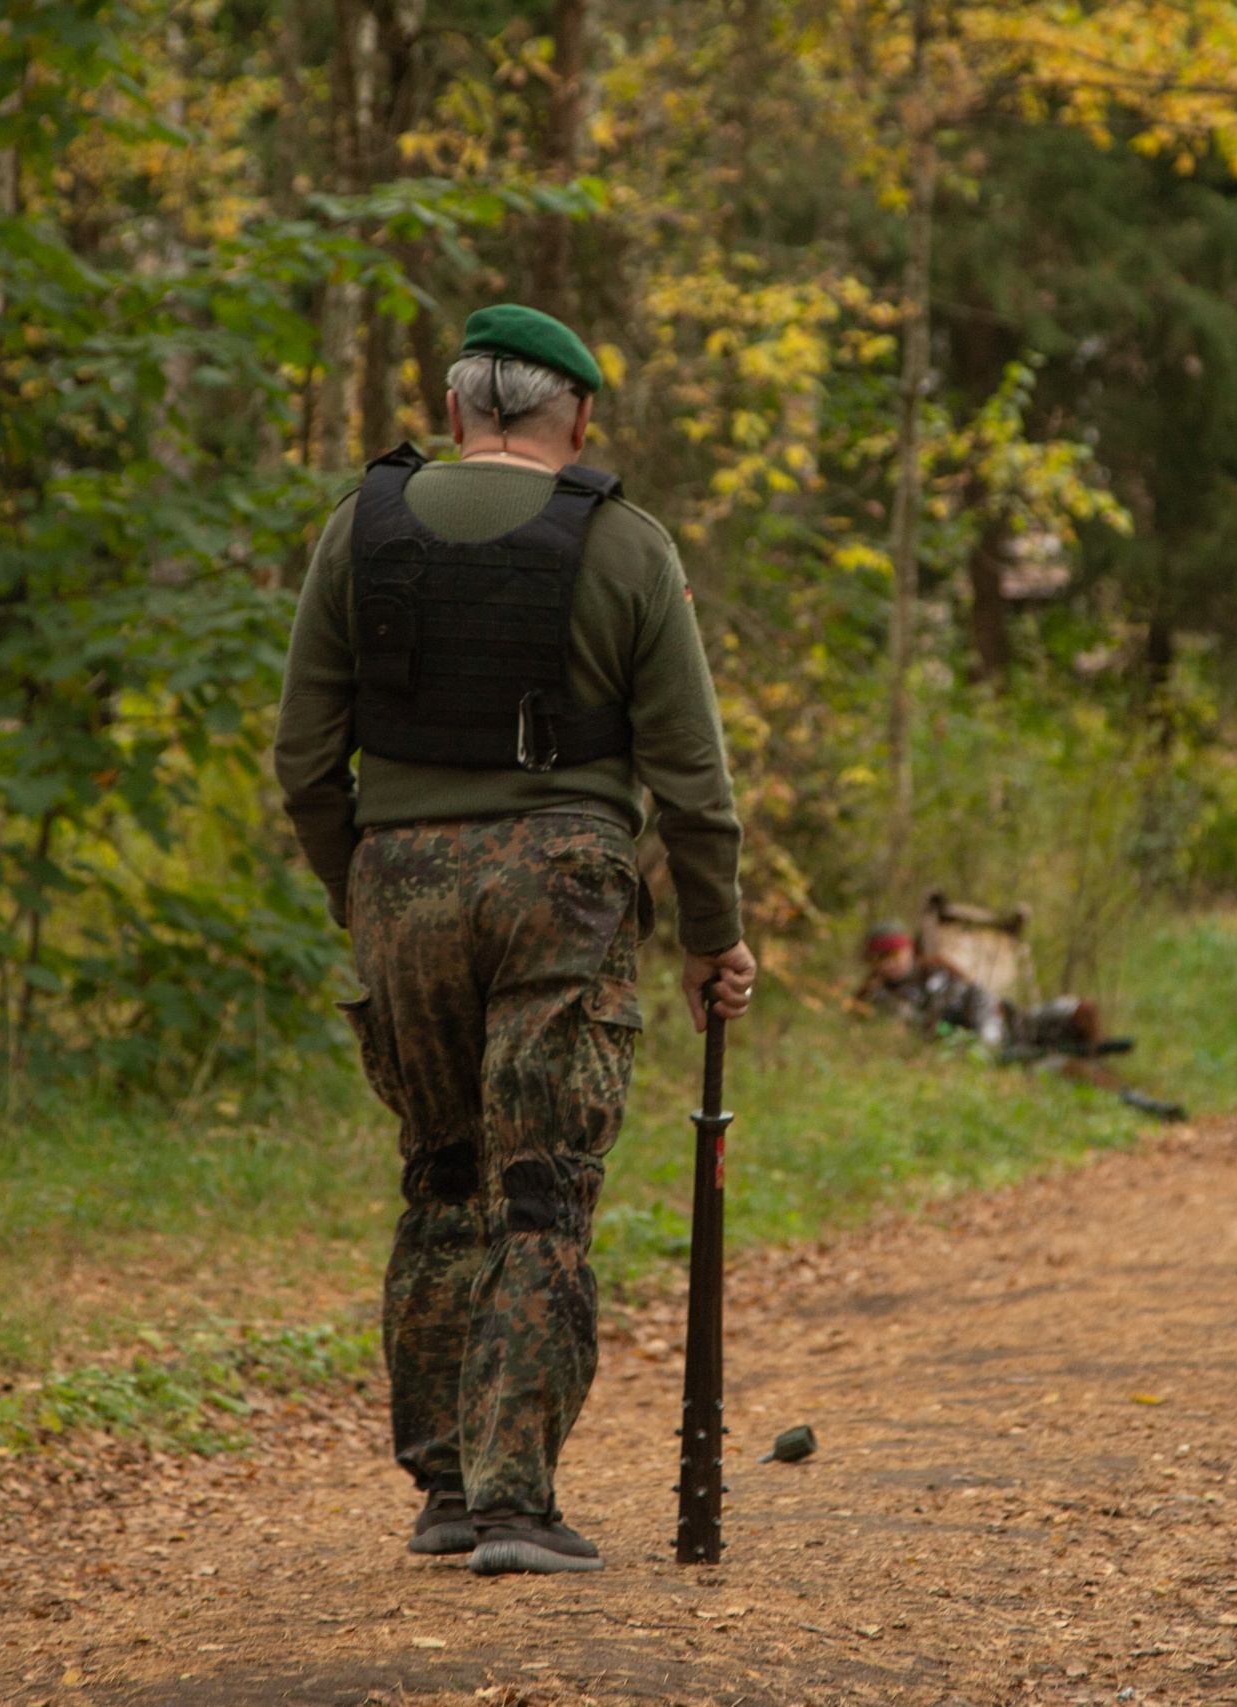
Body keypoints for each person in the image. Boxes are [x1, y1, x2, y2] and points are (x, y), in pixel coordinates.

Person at [273, 304, 753, 1577]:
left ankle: (441, 1488)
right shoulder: (624, 544)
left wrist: (359, 889)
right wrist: (716, 938)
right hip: (564, 884)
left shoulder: (358, 531)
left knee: (440, 1174)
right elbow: (693, 784)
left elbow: (304, 759)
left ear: (453, 415)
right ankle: (511, 1500)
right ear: (576, 418)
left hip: (399, 886)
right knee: (539, 1189)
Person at [858, 921, 1124, 1058]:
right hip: (962, 1052)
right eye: (881, 957)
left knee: (1078, 1010)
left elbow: (978, 999)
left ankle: (1098, 1059)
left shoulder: (937, 971)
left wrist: (988, 1041)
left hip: (1009, 1028)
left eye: (894, 953)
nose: (890, 963)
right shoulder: (875, 998)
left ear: (909, 950)